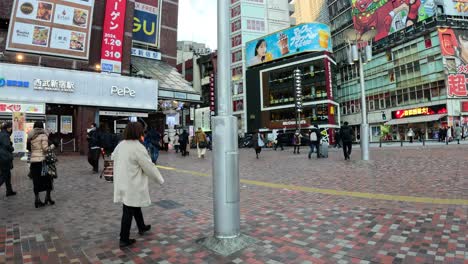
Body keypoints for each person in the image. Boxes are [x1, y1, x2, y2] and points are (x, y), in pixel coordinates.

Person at [112, 122, 164, 248]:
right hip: (132, 183)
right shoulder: (138, 147)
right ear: (138, 132)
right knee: (128, 209)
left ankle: (141, 226)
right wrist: (159, 179)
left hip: (122, 181)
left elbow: (113, 156)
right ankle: (124, 238)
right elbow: (149, 166)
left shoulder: (121, 145)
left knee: (133, 205)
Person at [28, 121, 54, 208]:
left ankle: (37, 199)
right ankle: (48, 198)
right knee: (48, 179)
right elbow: (45, 149)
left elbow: (28, 148)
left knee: (36, 181)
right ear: (42, 127)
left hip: (33, 161)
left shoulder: (30, 136)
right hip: (42, 161)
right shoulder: (43, 135)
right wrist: (53, 145)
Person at [0, 122, 16, 197]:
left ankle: (9, 191)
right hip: (4, 157)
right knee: (4, 175)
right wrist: (12, 147)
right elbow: (7, 145)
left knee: (7, 175)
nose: (11, 129)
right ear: (7, 128)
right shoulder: (5, 135)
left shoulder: (2, 134)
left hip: (3, 157)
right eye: (10, 127)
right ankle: (9, 191)